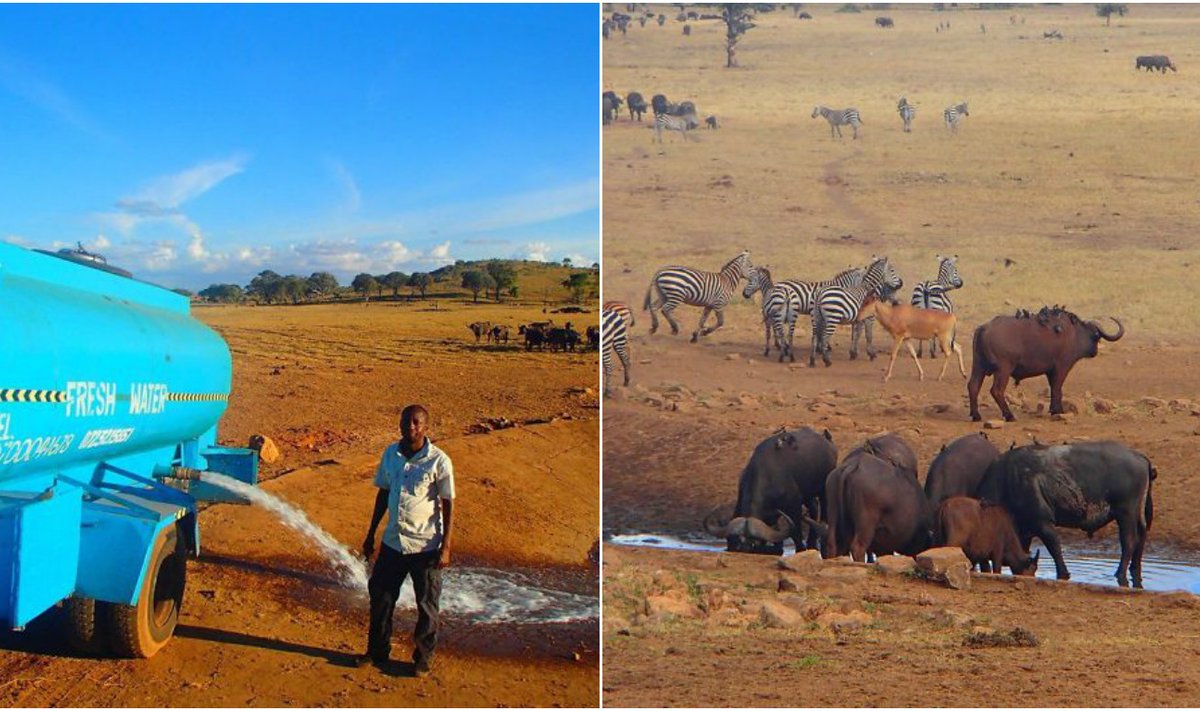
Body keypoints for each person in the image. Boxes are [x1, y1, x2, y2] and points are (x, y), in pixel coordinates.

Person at [357, 404, 454, 677]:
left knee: (427, 605)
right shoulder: (391, 454)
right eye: (405, 421)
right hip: (393, 543)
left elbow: (448, 504)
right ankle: (377, 652)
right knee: (381, 596)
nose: (409, 427)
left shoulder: (439, 461)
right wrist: (370, 533)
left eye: (415, 422)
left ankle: (423, 658)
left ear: (425, 426)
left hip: (426, 546)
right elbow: (383, 494)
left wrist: (446, 546)